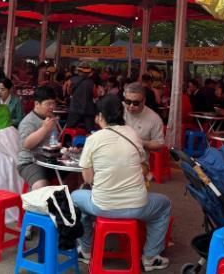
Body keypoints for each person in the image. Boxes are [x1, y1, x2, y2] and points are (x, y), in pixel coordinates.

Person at [71, 95, 172, 271]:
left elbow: (88, 179)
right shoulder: (133, 134)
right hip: (137, 206)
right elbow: (143, 167)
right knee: (165, 204)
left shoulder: (93, 139)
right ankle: (150, 257)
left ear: (100, 116)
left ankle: (86, 251)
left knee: (76, 198)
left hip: (102, 205)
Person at [16, 86, 59, 190]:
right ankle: (34, 200)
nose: (52, 107)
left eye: (53, 103)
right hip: (30, 162)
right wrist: (44, 129)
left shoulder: (50, 118)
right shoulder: (28, 122)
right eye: (48, 104)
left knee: (75, 175)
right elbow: (26, 145)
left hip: (49, 161)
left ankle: (67, 199)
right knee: (41, 185)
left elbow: (53, 140)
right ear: (36, 104)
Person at [122, 82, 164, 151]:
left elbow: (159, 144)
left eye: (136, 103)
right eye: (128, 102)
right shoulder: (119, 109)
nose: (131, 106)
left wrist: (141, 143)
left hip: (139, 156)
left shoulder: (154, 118)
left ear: (144, 101)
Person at [66, 61, 97, 132]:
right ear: (88, 73)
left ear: (78, 71)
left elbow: (69, 92)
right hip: (88, 110)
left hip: (75, 109)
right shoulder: (92, 83)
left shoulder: (71, 80)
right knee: (90, 131)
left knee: (69, 129)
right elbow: (95, 95)